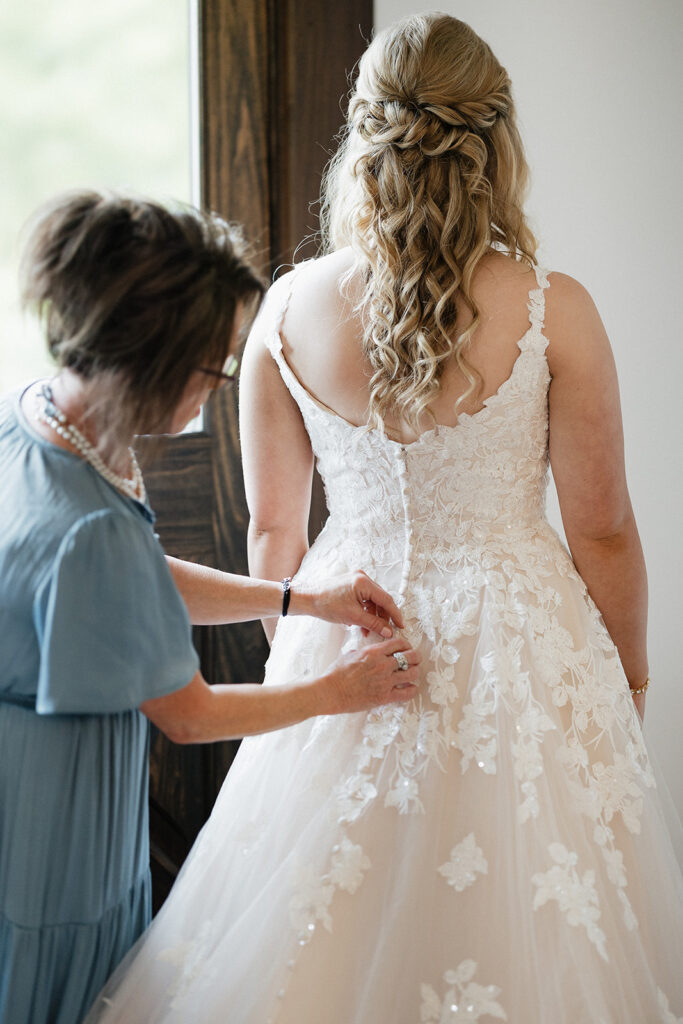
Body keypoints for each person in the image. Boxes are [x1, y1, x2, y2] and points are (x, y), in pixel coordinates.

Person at [86, 14, 683, 1024]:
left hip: (346, 627)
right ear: (495, 146)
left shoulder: (284, 308)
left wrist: (305, 657)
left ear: (362, 136)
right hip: (522, 649)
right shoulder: (553, 310)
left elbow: (273, 535)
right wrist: (621, 675)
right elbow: (603, 531)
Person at [0, 189, 421, 1024]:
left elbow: (130, 582)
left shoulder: (37, 423)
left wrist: (299, 598)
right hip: (57, 828)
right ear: (152, 356)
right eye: (212, 367)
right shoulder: (91, 526)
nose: (219, 389)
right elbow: (188, 716)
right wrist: (339, 694)